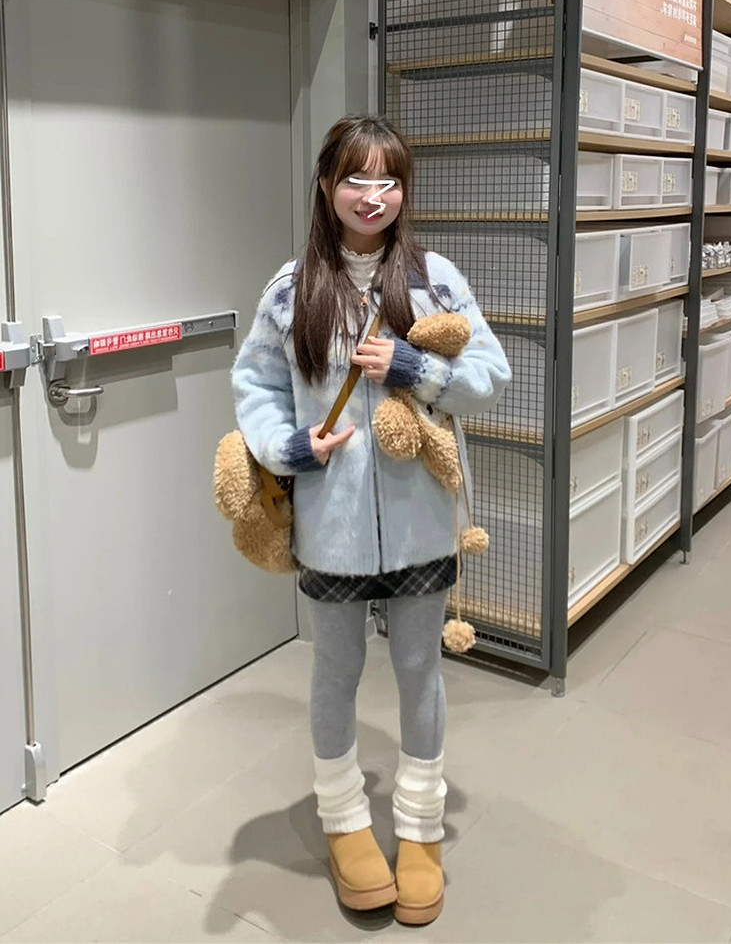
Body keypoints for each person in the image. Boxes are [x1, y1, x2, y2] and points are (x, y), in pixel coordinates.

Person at [232, 114, 510, 925]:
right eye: (356, 178)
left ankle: (420, 826)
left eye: (389, 180)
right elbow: (256, 386)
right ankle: (344, 819)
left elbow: (489, 374)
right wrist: (290, 446)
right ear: (327, 185)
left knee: (421, 668)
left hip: (424, 520)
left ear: (403, 190)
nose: (373, 195)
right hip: (332, 527)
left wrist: (417, 366)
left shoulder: (436, 280)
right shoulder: (290, 290)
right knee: (336, 670)